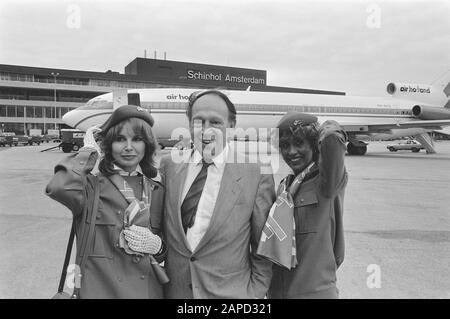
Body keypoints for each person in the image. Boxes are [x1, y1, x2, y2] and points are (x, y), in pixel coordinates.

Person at [159, 90, 275, 299]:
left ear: (231, 125)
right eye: (198, 121)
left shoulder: (256, 172)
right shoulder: (169, 166)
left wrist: (255, 293)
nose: (206, 131)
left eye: (215, 122)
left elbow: (263, 246)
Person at [46, 105, 166, 299]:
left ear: (147, 145)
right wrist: (86, 155)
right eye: (120, 139)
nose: (128, 147)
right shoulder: (90, 187)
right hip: (101, 291)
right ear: (108, 145)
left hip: (147, 291)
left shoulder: (157, 190)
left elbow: (169, 251)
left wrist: (158, 247)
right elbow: (59, 187)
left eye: (137, 139)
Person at [258, 111, 348, 299]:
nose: (291, 152)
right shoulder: (286, 186)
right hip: (278, 292)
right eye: (284, 145)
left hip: (313, 292)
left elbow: (332, 138)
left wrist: (320, 124)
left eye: (299, 143)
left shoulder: (326, 182)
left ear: (314, 144)